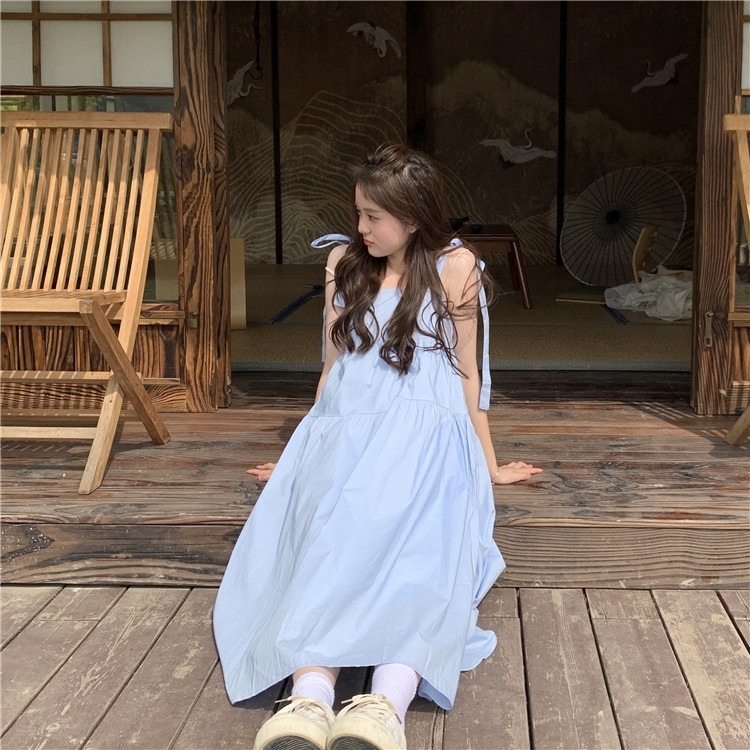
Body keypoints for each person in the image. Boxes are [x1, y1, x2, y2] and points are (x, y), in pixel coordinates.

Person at [213, 144, 542, 750]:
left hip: (426, 437)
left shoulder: (455, 266)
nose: (361, 228)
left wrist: (489, 464)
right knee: (327, 538)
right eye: (359, 213)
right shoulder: (344, 262)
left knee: (422, 553)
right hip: (349, 430)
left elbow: (469, 372)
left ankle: (383, 708)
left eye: (374, 216)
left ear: (413, 218)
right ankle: (309, 698)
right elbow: (333, 367)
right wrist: (301, 454)